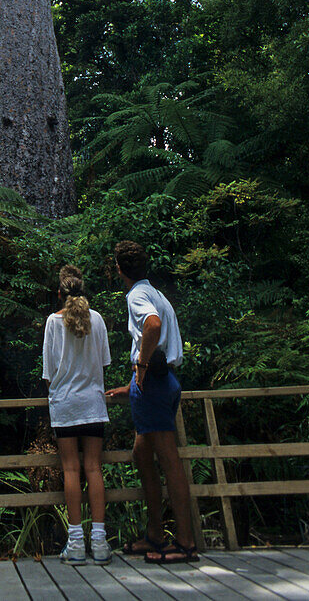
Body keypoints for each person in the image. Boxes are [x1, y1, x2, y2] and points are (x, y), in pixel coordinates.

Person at [105, 240, 200, 565]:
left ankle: (186, 542)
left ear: (120, 269)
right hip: (162, 381)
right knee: (141, 454)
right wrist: (130, 386)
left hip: (156, 383)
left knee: (169, 460)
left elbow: (153, 326)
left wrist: (141, 370)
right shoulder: (155, 293)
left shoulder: (137, 296)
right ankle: (155, 534)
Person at [42, 264, 112, 565]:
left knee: (71, 470)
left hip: (66, 404)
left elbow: (48, 372)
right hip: (93, 403)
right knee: (94, 468)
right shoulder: (97, 319)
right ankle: (99, 542)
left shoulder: (52, 322)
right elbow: (105, 362)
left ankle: (75, 543)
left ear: (59, 293)